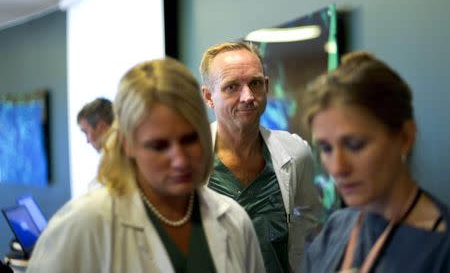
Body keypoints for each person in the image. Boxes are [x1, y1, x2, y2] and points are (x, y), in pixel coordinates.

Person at [27, 58, 265, 273]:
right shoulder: (83, 225)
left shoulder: (233, 220)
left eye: (189, 139)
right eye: (159, 146)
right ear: (126, 144)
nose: (180, 160)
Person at [302, 51, 450, 272]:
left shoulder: (441, 249)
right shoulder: (336, 228)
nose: (337, 168)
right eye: (326, 148)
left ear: (405, 137)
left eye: (355, 145)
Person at [199, 41, 323, 273]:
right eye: (232, 87)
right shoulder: (188, 158)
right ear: (208, 96)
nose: (247, 96)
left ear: (266, 86)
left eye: (255, 83)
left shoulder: (295, 153)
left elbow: (310, 218)